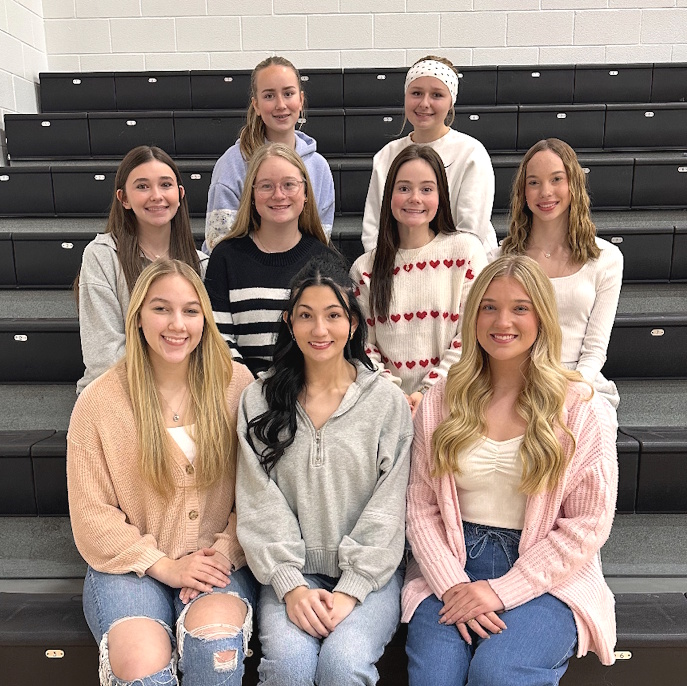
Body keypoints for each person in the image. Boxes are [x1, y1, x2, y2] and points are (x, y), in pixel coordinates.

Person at [403, 255, 618, 686]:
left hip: (547, 570)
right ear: (473, 315)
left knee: (498, 674)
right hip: (452, 561)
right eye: (489, 307)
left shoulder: (578, 407)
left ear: (542, 317)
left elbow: (587, 524)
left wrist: (501, 591)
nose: (503, 321)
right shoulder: (442, 398)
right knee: (436, 678)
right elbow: (421, 508)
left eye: (520, 308)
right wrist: (451, 584)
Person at [68, 259, 255, 686]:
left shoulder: (237, 386)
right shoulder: (99, 402)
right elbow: (93, 516)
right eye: (161, 309)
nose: (177, 324)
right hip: (129, 566)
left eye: (190, 311)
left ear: (205, 320)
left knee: (216, 646)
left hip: (215, 559)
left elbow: (260, 493)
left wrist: (224, 551)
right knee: (142, 664)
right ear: (137, 317)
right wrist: (165, 566)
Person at [235, 253, 413, 685]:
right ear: (289, 322)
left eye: (333, 315)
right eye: (306, 316)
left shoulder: (385, 402)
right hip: (291, 573)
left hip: (372, 576)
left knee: (342, 665)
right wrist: (290, 585)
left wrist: (353, 587)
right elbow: (257, 500)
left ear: (352, 322)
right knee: (289, 668)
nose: (319, 330)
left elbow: (389, 507)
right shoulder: (258, 400)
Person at [351, 144, 487, 415]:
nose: (415, 198)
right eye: (404, 188)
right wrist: (396, 396)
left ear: (441, 196)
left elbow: (470, 335)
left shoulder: (467, 252)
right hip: (389, 407)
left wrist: (427, 393)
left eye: (426, 189)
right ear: (389, 195)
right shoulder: (364, 269)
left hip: (454, 405)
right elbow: (363, 346)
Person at [500, 137, 623, 410]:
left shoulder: (607, 259)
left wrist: (572, 391)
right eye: (534, 182)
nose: (545, 192)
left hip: (578, 381)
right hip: (516, 379)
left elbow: (594, 351)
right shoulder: (499, 258)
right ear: (523, 192)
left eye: (556, 179)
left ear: (573, 184)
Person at [76, 145, 208, 394]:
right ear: (123, 198)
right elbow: (104, 356)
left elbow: (207, 349)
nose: (156, 195)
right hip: (116, 393)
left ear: (180, 194)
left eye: (166, 185)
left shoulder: (201, 266)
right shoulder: (102, 256)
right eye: (142, 186)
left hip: (184, 394)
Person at [204, 142, 333, 376]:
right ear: (252, 195)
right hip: (240, 389)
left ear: (305, 193)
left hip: (308, 389)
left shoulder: (326, 261)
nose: (278, 195)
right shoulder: (225, 257)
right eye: (266, 186)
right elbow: (219, 338)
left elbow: (331, 339)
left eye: (289, 184)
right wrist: (252, 389)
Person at [362, 55, 497, 256]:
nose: (424, 103)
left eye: (437, 95)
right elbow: (374, 228)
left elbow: (470, 231)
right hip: (399, 263)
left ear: (451, 102)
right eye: (416, 93)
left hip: (461, 264)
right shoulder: (386, 156)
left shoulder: (471, 154)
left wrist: (432, 269)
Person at [205, 55, 335, 251]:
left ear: (301, 100)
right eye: (269, 96)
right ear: (256, 105)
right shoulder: (232, 164)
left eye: (288, 93)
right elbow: (219, 242)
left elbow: (320, 240)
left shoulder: (319, 167)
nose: (280, 105)